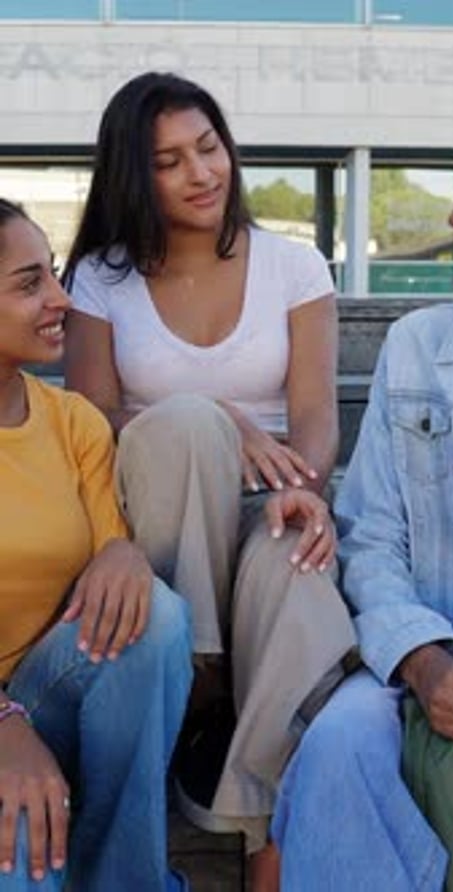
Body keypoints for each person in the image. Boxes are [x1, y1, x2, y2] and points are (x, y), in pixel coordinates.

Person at [62, 71, 357, 889]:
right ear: (133, 175)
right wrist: (220, 415)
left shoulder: (294, 267)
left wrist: (306, 490)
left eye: (209, 146)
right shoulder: (102, 278)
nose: (202, 172)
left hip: (267, 503)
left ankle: (267, 832)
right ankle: (201, 682)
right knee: (186, 423)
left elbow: (315, 418)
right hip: (157, 514)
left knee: (300, 581)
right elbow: (92, 419)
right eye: (169, 161)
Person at [269, 82, 453, 890]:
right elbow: (370, 534)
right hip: (431, 653)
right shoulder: (418, 347)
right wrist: (423, 662)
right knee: (339, 746)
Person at [0, 197, 193, 892]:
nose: (59, 299)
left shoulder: (73, 422)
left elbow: (115, 568)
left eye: (52, 275)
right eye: (29, 285)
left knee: (158, 617)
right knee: (19, 844)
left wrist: (125, 551)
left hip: (48, 694)